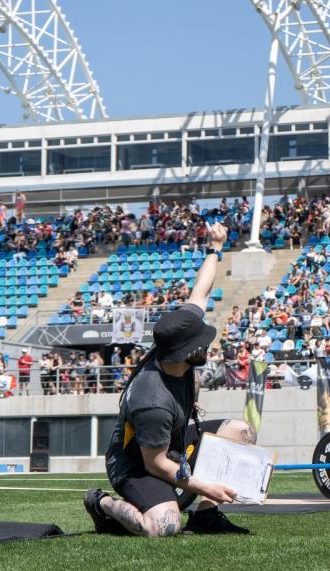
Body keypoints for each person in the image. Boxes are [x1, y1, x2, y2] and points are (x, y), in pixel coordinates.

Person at [84, 223, 255, 537]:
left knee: (242, 433)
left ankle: (205, 517)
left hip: (173, 441)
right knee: (164, 526)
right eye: (202, 344)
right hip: (137, 463)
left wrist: (215, 248)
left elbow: (200, 292)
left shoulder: (176, 342)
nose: (207, 345)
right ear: (185, 354)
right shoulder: (152, 401)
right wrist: (208, 485)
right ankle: (102, 503)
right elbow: (156, 464)